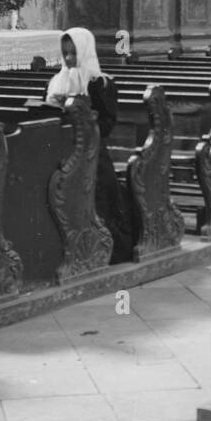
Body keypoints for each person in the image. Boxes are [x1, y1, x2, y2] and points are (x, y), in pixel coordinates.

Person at [46, 28, 133, 260]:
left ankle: (101, 249)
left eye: (73, 53)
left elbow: (107, 124)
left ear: (84, 51)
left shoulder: (100, 83)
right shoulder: (57, 80)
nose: (68, 58)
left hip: (92, 155)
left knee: (99, 199)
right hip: (61, 151)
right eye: (65, 53)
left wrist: (83, 115)